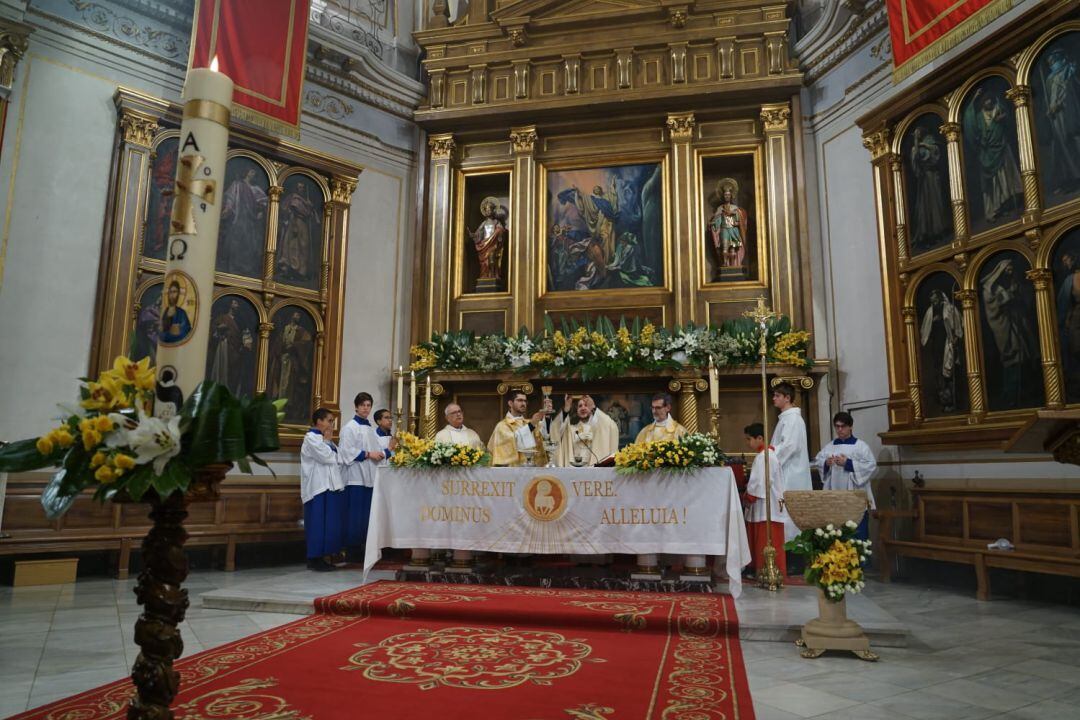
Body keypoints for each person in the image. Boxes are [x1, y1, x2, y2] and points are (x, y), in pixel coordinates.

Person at [981, 258, 1039, 408]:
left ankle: (1023, 394)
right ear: (1000, 272)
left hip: (1016, 325)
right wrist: (1010, 294)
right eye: (1008, 270)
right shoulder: (992, 288)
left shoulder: (1011, 284)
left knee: (1022, 356)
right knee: (1013, 357)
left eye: (1012, 270)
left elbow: (1022, 302)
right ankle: (1011, 396)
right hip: (1004, 327)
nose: (1010, 272)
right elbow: (993, 307)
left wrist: (1016, 294)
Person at [814, 412, 877, 541]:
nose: (839, 430)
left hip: (855, 498)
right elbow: (817, 461)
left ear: (850, 427)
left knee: (858, 536)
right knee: (837, 536)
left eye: (843, 426)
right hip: (834, 498)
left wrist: (847, 463)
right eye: (837, 426)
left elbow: (871, 465)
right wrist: (826, 463)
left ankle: (861, 560)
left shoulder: (861, 446)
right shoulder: (830, 447)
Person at [338, 392, 385, 563]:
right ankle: (352, 550)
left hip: (370, 477)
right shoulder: (349, 427)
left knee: (366, 516)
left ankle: (364, 548)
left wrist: (384, 452)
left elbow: (378, 449)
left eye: (368, 405)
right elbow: (345, 451)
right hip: (355, 478)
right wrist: (368, 454)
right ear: (356, 406)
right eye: (363, 405)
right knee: (355, 516)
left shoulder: (370, 428)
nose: (366, 408)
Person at [300, 408, 346, 572]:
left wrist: (328, 443)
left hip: (329, 484)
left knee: (328, 523)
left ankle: (324, 556)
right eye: (329, 421)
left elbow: (338, 458)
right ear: (319, 421)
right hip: (317, 487)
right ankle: (314, 558)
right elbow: (327, 457)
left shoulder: (325, 439)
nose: (331, 424)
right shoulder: (311, 438)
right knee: (317, 523)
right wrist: (327, 442)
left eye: (332, 421)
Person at [742, 423, 788, 577]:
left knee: (765, 539)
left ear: (760, 438)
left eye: (750, 439)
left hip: (766, 506)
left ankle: (766, 571)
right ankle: (759, 569)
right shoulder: (766, 455)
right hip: (766, 504)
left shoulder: (765, 457)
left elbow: (761, 482)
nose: (748, 443)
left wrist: (748, 497)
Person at [920, 288, 964, 414]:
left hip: (948, 345)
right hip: (937, 348)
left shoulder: (949, 309)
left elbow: (958, 325)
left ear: (940, 299)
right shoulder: (930, 312)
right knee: (940, 375)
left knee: (950, 374)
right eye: (932, 302)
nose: (934, 303)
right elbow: (925, 329)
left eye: (935, 301)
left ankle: (954, 402)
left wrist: (956, 338)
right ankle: (945, 402)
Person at [219, 166, 268, 276]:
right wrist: (227, 208)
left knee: (249, 242)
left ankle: (246, 267)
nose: (253, 173)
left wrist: (261, 211)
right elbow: (231, 197)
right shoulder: (237, 184)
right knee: (237, 239)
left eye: (254, 172)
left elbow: (263, 201)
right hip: (240, 216)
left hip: (250, 219)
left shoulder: (255, 188)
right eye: (252, 171)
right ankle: (234, 266)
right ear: (246, 172)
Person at [909, 126, 951, 249]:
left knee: (936, 203)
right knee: (926, 206)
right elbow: (916, 159)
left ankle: (938, 230)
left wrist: (924, 145)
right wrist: (917, 143)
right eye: (916, 134)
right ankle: (928, 233)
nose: (917, 134)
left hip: (933, 177)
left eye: (918, 133)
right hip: (924, 179)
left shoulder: (930, 142)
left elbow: (935, 153)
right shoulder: (915, 148)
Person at [550, 395, 619, 466]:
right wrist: (566, 409)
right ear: (576, 410)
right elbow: (555, 429)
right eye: (580, 406)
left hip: (595, 467)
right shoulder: (571, 429)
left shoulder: (599, 429)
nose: (583, 408)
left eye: (586, 405)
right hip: (574, 468)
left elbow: (611, 426)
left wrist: (594, 408)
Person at [487, 391, 548, 466]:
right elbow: (513, 440)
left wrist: (547, 415)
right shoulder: (502, 426)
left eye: (525, 401)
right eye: (519, 400)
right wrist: (531, 426)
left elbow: (546, 435)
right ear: (510, 403)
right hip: (512, 470)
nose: (523, 404)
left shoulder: (529, 423)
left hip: (532, 469)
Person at [708, 180, 748, 269]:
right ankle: (725, 264)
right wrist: (713, 224)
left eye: (728, 195)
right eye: (725, 195)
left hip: (733, 230)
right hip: (724, 230)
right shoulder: (720, 209)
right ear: (723, 196)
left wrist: (737, 223)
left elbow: (740, 220)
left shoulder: (736, 209)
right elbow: (717, 220)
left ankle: (734, 266)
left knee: (733, 248)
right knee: (725, 248)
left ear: (731, 196)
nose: (727, 196)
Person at [1057, 251, 1080, 401]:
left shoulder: (1071, 278)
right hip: (1076, 319)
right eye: (1064, 261)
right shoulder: (1069, 280)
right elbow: (1063, 303)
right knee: (1076, 350)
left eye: (1067, 260)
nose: (1066, 264)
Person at [159, 280, 192, 344]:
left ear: (178, 294)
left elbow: (185, 333)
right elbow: (161, 333)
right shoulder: (164, 311)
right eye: (170, 292)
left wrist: (177, 330)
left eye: (174, 292)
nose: (172, 295)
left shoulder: (182, 313)